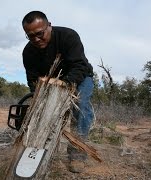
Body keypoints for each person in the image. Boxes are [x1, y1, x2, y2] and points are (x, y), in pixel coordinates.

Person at [21, 10, 94, 173]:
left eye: (40, 33)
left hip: (80, 78)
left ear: (49, 26)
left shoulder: (68, 36)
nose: (36, 39)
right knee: (42, 111)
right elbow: (33, 80)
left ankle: (77, 154)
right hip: (50, 83)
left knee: (80, 105)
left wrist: (65, 84)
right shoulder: (28, 52)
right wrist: (38, 96)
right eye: (30, 36)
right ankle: (40, 150)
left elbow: (79, 66)